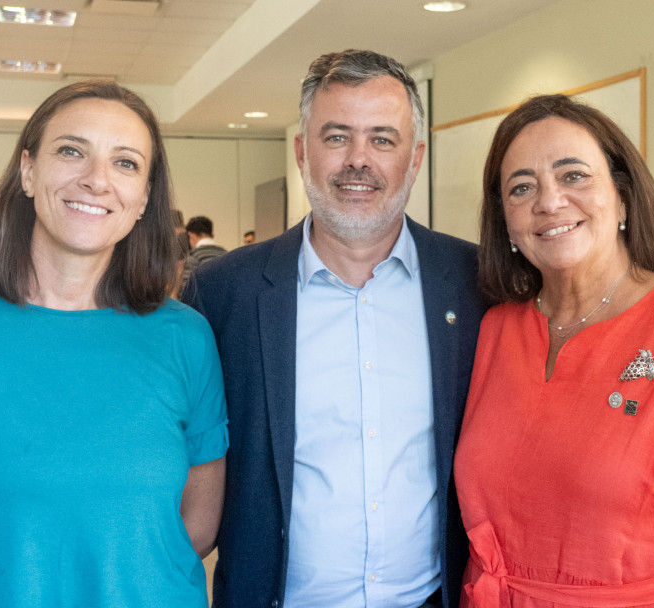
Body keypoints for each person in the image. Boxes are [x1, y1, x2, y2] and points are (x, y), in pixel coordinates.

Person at [0, 80, 228, 608]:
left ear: (144, 199)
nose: (96, 180)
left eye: (126, 163)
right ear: (27, 170)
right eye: (71, 151)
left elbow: (197, 528)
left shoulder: (185, 337)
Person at [184, 49, 488, 608]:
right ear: (302, 151)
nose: (358, 160)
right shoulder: (222, 293)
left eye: (382, 138)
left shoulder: (474, 286)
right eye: (335, 136)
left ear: (414, 158)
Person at [453, 94, 654, 607]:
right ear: (505, 222)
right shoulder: (496, 329)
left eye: (573, 175)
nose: (549, 201)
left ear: (622, 197)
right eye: (522, 187)